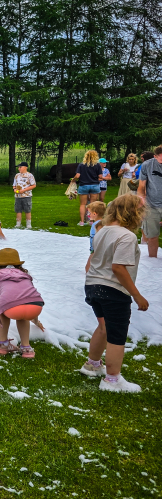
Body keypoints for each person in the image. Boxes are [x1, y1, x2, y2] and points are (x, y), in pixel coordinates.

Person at [80, 194, 149, 392]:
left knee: (103, 326)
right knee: (117, 335)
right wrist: (136, 295)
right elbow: (119, 267)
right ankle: (112, 379)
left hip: (93, 285)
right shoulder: (126, 237)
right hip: (112, 290)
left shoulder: (103, 230)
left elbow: (94, 257)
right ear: (134, 214)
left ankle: (92, 365)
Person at [0, 248, 45, 359]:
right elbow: (28, 297)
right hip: (36, 306)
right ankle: (27, 349)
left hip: (12, 309)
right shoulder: (24, 275)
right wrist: (35, 320)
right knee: (20, 308)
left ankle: (3, 345)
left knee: (2, 304)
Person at [137, 145, 162, 258]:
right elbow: (141, 186)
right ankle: (153, 260)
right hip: (151, 204)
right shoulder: (147, 165)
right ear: (155, 156)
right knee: (152, 236)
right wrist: (141, 201)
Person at [72, 150, 103, 226]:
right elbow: (100, 177)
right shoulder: (98, 165)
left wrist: (73, 180)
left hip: (84, 185)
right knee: (92, 204)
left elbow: (77, 176)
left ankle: (82, 222)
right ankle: (91, 221)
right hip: (95, 185)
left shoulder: (81, 165)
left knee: (83, 204)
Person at [12, 162, 36, 229]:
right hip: (18, 196)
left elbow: (33, 185)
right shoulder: (17, 175)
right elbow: (14, 185)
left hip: (26, 196)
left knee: (27, 209)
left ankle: (28, 224)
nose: (19, 168)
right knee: (18, 210)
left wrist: (24, 190)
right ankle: (18, 224)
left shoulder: (29, 175)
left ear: (25, 167)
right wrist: (14, 189)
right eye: (18, 167)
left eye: (20, 167)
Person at [85, 201, 106, 273]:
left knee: (88, 268)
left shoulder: (98, 224)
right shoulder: (101, 223)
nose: (88, 215)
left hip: (96, 250)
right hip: (96, 249)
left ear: (94, 214)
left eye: (89, 213)